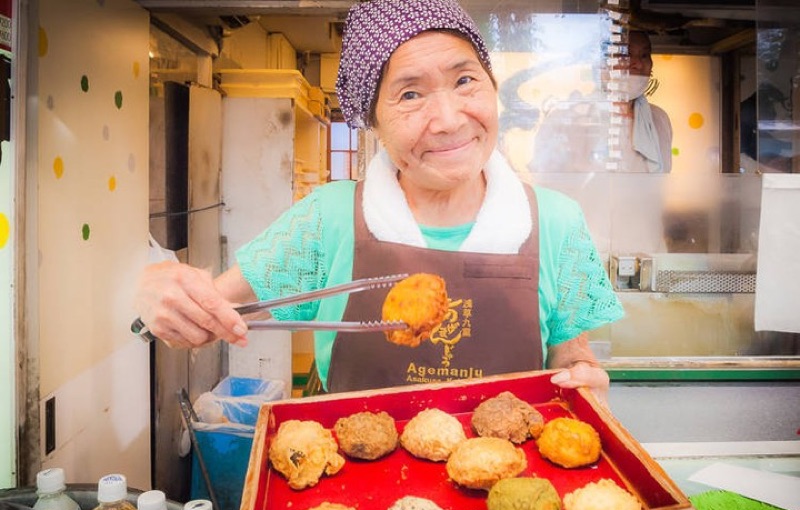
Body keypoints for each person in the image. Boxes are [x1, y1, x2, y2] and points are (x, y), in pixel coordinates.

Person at [134, 0, 624, 403]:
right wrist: (166, 295)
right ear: (375, 121)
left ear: (492, 87)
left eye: (464, 80)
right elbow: (208, 313)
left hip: (509, 498)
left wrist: (583, 377)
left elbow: (570, 357)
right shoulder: (328, 219)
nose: (449, 119)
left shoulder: (556, 222)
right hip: (353, 496)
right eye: (410, 94)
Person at [531, 30, 673, 173]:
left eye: (644, 55)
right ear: (602, 63)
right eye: (626, 55)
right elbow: (544, 181)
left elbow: (663, 183)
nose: (638, 64)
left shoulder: (659, 119)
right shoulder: (566, 119)